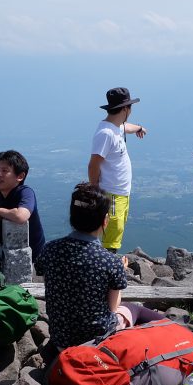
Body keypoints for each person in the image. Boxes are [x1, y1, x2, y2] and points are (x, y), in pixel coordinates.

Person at [37, 183, 165, 350]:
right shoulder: (109, 261)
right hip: (95, 343)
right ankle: (173, 329)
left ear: (72, 217)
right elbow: (112, 308)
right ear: (105, 221)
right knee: (135, 309)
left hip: (61, 340)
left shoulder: (50, 249)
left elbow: (50, 282)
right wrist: (119, 271)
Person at [88, 87, 148, 253]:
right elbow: (93, 164)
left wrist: (138, 128)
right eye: (130, 107)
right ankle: (108, 269)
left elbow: (125, 127)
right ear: (125, 109)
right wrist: (94, 190)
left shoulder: (115, 127)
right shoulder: (106, 133)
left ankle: (108, 266)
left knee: (116, 231)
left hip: (120, 192)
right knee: (112, 235)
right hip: (112, 193)